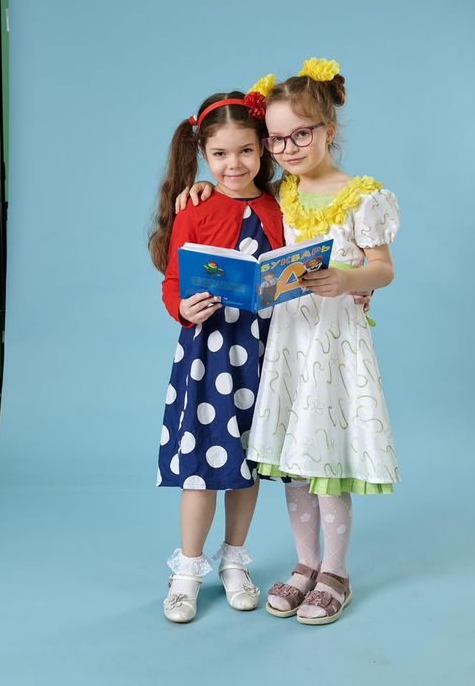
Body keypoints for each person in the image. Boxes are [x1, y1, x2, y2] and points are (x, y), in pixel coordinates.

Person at [180, 58, 400, 627]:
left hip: (334, 347)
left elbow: (382, 268)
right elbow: (238, 192)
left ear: (329, 129)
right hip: (286, 345)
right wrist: (204, 184)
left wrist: (349, 280)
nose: (288, 148)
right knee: (294, 459)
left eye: (300, 134)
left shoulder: (362, 196)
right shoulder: (283, 193)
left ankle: (336, 572)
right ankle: (306, 565)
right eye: (277, 140)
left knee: (325, 458)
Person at [148, 89, 283, 623]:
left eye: (246, 151)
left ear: (263, 148)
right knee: (203, 463)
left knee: (247, 461)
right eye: (220, 154)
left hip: (263, 352)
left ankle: (234, 561)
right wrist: (184, 307)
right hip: (209, 355)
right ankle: (187, 569)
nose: (234, 164)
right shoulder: (197, 208)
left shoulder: (278, 206)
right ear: (203, 153)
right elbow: (173, 282)